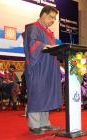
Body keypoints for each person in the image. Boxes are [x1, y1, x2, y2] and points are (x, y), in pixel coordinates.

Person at [22, 5, 62, 135]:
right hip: (37, 68)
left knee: (46, 94)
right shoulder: (33, 27)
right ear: (43, 15)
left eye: (54, 19)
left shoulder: (49, 32)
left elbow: (51, 49)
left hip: (48, 68)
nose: (53, 21)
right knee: (37, 93)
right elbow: (32, 45)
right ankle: (34, 125)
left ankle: (45, 123)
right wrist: (46, 46)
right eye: (51, 17)